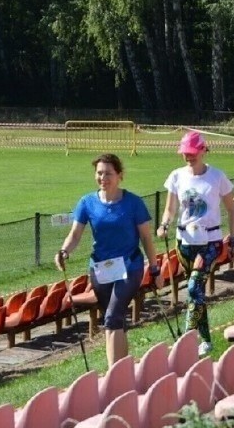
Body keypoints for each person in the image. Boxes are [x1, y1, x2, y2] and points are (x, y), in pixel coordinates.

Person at [55, 154, 160, 368]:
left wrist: (155, 269)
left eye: (108, 173)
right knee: (115, 319)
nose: (103, 177)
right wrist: (64, 251)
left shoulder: (133, 203)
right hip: (101, 269)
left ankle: (113, 375)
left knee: (111, 318)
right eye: (99, 173)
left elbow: (147, 238)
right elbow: (75, 235)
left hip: (130, 266)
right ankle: (124, 369)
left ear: (120, 176)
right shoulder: (87, 202)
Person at [158, 131, 234, 356]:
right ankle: (207, 341)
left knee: (193, 288)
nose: (188, 157)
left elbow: (232, 210)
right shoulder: (176, 176)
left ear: (203, 150)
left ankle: (185, 340)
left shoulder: (217, 177)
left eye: (193, 153)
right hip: (184, 241)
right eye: (185, 153)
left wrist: (233, 239)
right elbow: (171, 208)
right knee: (198, 293)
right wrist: (165, 224)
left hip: (210, 241)